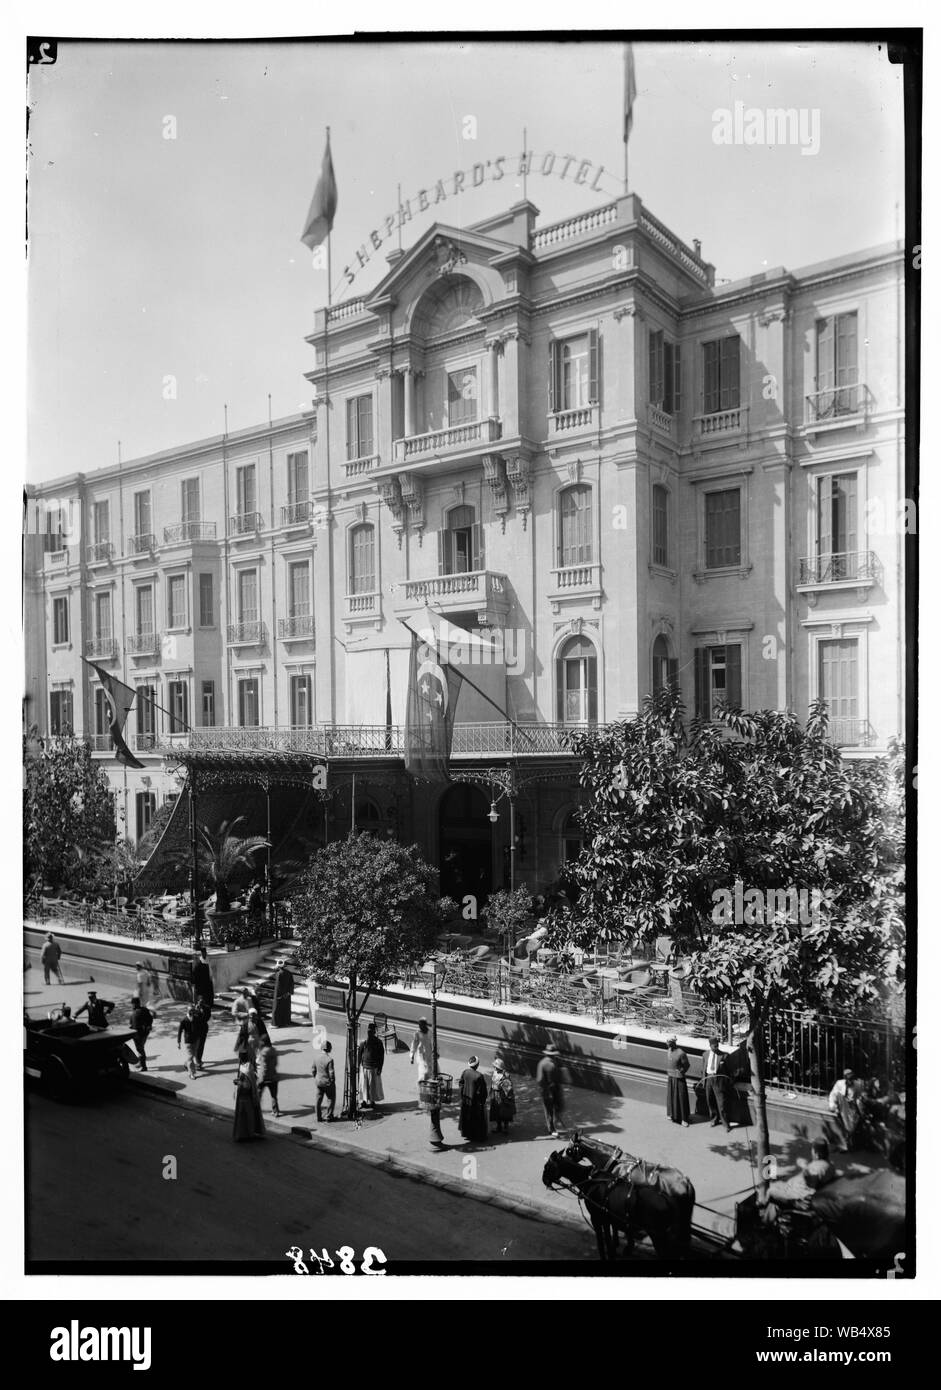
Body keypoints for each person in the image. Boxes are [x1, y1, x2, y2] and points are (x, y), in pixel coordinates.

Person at [767, 1139, 836, 1208]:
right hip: (794, 1189)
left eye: (812, 1151)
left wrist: (805, 1167)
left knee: (768, 1190)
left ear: (816, 1153)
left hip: (796, 1196)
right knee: (773, 1184)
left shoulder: (818, 1168)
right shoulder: (830, 1165)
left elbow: (811, 1182)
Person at [700, 1036, 737, 1132]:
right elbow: (703, 1068)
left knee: (721, 1104)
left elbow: (730, 1071)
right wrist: (703, 1080)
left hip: (719, 1081)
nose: (715, 1048)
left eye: (717, 1046)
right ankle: (714, 1119)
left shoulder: (724, 1056)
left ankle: (725, 1123)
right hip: (709, 1079)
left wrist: (729, 1082)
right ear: (710, 1045)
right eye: (714, 1046)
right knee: (710, 1100)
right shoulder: (705, 1055)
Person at [828, 1068, 865, 1152]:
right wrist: (832, 1106)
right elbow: (833, 1095)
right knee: (839, 1095)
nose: (850, 1080)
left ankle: (846, 1144)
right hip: (841, 1105)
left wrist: (861, 1110)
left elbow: (859, 1098)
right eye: (848, 1078)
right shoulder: (839, 1084)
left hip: (852, 1107)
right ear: (845, 1078)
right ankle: (844, 1144)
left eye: (852, 1078)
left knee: (851, 1126)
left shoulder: (857, 1085)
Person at [233, 1048, 265, 1141]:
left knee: (245, 1116)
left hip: (245, 1097)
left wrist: (238, 1083)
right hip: (248, 1096)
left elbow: (247, 1086)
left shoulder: (245, 1069)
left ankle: (245, 1135)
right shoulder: (249, 1066)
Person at [536, 1043, 565, 1137]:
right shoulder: (546, 1063)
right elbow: (540, 1080)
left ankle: (554, 1123)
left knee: (555, 1108)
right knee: (550, 1110)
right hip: (549, 1090)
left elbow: (540, 1079)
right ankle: (551, 1128)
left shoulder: (552, 1062)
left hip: (553, 1089)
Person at [458, 1055, 489, 1143]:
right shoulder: (479, 1076)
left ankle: (467, 1134)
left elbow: (461, 1084)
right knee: (476, 1118)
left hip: (466, 1099)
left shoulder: (465, 1072)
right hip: (475, 1101)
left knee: (466, 1116)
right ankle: (475, 1135)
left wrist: (463, 1095)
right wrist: (482, 1101)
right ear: (477, 1065)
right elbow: (482, 1091)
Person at [358, 1022, 385, 1109]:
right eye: (368, 1031)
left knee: (372, 1087)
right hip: (365, 1068)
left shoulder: (379, 1043)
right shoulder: (364, 1043)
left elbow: (381, 1056)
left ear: (374, 1032)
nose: (369, 1033)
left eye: (371, 1032)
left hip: (374, 1068)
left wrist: (380, 1068)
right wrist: (358, 1067)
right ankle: (364, 1101)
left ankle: (372, 1101)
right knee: (364, 1086)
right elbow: (359, 1055)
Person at [665, 1035, 691, 1126]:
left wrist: (681, 1071)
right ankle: (671, 1114)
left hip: (679, 1079)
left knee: (681, 1098)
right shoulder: (668, 1051)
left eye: (669, 1043)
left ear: (673, 1043)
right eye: (667, 1043)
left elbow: (687, 1065)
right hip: (671, 1077)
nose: (667, 1045)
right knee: (671, 1096)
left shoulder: (681, 1053)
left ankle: (684, 1119)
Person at [489, 1057, 516, 1135]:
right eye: (495, 1066)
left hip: (503, 1096)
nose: (495, 1068)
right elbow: (492, 1083)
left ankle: (506, 1128)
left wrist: (507, 1098)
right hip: (495, 1094)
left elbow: (508, 1088)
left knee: (505, 1112)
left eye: (496, 1067)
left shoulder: (506, 1075)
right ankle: (499, 1126)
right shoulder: (494, 1073)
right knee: (496, 1111)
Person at [312, 1040, 336, 1122]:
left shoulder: (316, 1058)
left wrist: (316, 1077)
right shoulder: (329, 1059)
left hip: (319, 1082)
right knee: (331, 1099)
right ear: (328, 1048)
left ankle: (318, 1117)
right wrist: (332, 1082)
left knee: (318, 1100)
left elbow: (313, 1070)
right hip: (327, 1083)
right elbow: (331, 1073)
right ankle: (329, 1116)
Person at [128, 995, 154, 1071]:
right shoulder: (145, 1009)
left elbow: (134, 1026)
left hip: (138, 1035)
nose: (131, 1005)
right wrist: (148, 1026)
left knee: (140, 1050)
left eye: (132, 1004)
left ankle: (143, 1067)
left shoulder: (135, 1013)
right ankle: (141, 1063)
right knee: (141, 1048)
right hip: (145, 1033)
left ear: (135, 1004)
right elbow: (150, 1019)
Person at [256, 1042, 280, 1117]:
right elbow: (276, 1063)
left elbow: (259, 1063)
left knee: (258, 1094)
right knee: (274, 1096)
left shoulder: (262, 1052)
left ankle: (256, 1110)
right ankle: (275, 1111)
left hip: (263, 1077)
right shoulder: (274, 1051)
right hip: (273, 1077)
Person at [177, 1006, 199, 1079]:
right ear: (187, 1011)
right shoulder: (184, 1020)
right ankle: (191, 1073)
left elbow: (198, 1028)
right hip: (188, 1041)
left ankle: (186, 1064)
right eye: (191, 1011)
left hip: (195, 1040)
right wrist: (179, 1042)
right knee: (191, 1056)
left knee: (193, 1055)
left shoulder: (196, 1018)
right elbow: (179, 1032)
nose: (192, 1012)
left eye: (193, 1011)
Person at [410, 1018, 434, 1082]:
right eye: (419, 1025)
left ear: (425, 1025)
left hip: (429, 1053)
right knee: (423, 1071)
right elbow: (414, 1044)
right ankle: (421, 1084)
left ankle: (428, 1084)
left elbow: (433, 1042)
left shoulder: (430, 1032)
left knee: (431, 1070)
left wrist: (436, 1052)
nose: (420, 1027)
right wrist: (412, 1055)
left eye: (421, 1025)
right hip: (421, 1055)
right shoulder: (417, 1033)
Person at [272, 959, 294, 1028]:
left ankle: (276, 1024)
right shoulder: (289, 973)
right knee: (286, 1009)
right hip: (287, 995)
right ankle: (286, 1022)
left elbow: (278, 986)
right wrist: (289, 993)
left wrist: (278, 995)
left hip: (280, 995)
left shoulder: (279, 974)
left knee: (277, 1009)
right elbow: (292, 984)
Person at [192, 994, 212, 1070]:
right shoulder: (193, 1008)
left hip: (203, 1029)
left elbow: (206, 1018)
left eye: (202, 1002)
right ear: (197, 1001)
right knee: (194, 1046)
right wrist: (196, 1011)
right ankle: (193, 1061)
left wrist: (201, 1012)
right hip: (195, 1030)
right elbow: (191, 1018)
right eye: (200, 1001)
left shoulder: (207, 1008)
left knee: (200, 1046)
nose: (201, 1003)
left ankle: (198, 1061)